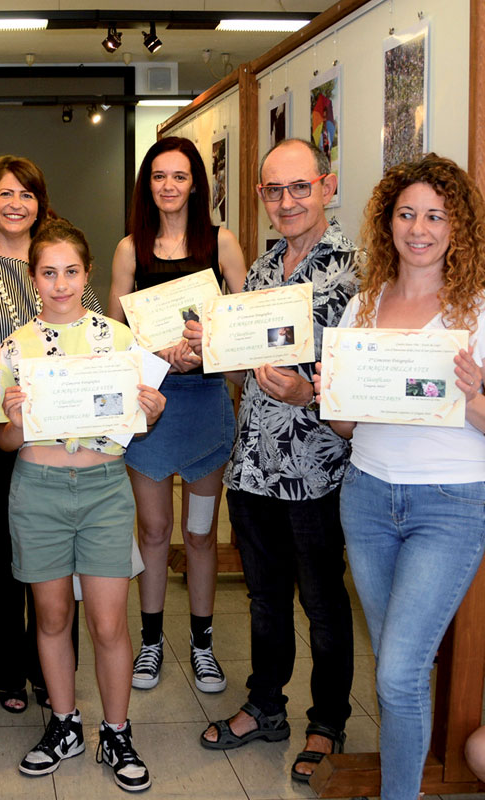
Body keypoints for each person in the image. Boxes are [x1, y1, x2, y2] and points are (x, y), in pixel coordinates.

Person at [312, 154, 485, 800]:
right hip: (367, 497)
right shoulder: (364, 305)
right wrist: (336, 403)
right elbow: (349, 430)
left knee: (397, 674)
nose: (419, 228)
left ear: (457, 226)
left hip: (451, 504)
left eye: (436, 216)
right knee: (397, 670)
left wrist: (470, 397)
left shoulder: (480, 310)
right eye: (407, 213)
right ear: (388, 223)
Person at [191, 138, 358, 782]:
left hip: (316, 469)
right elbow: (243, 373)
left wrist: (311, 390)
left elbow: (364, 379)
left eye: (299, 188)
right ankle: (266, 707)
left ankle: (328, 722)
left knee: (322, 604)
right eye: (273, 191)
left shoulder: (357, 271)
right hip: (254, 465)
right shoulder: (261, 272)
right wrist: (214, 348)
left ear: (326, 185)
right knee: (264, 599)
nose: (286, 202)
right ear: (261, 197)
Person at [0, 218, 165, 793]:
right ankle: (64, 724)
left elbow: (134, 427)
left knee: (110, 622)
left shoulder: (119, 341)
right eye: (48, 273)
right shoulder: (14, 347)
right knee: (51, 618)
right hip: (38, 491)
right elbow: (4, 441)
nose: (60, 284)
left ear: (87, 273)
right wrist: (14, 417)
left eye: (71, 272)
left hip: (104, 492)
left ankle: (115, 731)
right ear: (33, 276)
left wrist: (151, 410)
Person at [0, 155, 100, 713]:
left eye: (27, 193)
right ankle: (4, 670)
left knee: (53, 562)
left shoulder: (58, 260)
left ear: (41, 203)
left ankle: (51, 671)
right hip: (0, 428)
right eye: (5, 193)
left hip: (60, 435)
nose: (16, 203)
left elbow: (93, 335)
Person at [107, 136, 246, 696]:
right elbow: (115, 336)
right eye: (159, 176)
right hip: (151, 409)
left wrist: (207, 344)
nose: (168, 186)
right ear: (148, 185)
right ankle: (151, 642)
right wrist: (152, 353)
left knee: (201, 533)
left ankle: (203, 643)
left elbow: (246, 326)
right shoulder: (128, 249)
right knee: (156, 531)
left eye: (180, 176)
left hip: (207, 406)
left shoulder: (222, 243)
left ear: (196, 184)